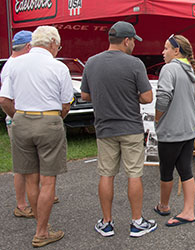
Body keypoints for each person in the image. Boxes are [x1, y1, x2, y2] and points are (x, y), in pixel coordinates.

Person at [80, 21, 156, 238]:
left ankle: (106, 223)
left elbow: (85, 95)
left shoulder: (92, 63)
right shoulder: (134, 64)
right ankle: (137, 222)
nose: (134, 44)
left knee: (106, 174)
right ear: (126, 40)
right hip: (130, 127)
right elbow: (147, 97)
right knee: (134, 174)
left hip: (105, 128)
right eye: (133, 40)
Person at [0, 26, 73, 247]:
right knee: (48, 180)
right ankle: (42, 231)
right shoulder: (58, 67)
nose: (58, 50)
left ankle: (40, 226)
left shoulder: (14, 65)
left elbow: (4, 100)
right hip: (48, 120)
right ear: (52, 43)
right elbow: (66, 103)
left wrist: (18, 117)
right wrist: (56, 118)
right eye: (58, 46)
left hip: (21, 119)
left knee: (30, 177)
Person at [154, 34, 195, 227]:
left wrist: (157, 117)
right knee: (185, 170)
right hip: (189, 129)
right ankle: (189, 211)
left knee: (166, 170)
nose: (162, 52)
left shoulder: (169, 69)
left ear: (176, 51)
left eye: (165, 48)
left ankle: (164, 206)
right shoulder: (191, 70)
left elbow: (163, 97)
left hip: (171, 130)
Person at [0, 31, 34, 219]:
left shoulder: (12, 64)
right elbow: (5, 100)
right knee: (22, 166)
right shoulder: (13, 66)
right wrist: (17, 117)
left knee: (27, 163)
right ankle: (21, 205)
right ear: (28, 47)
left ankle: (34, 196)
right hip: (17, 121)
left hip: (19, 120)